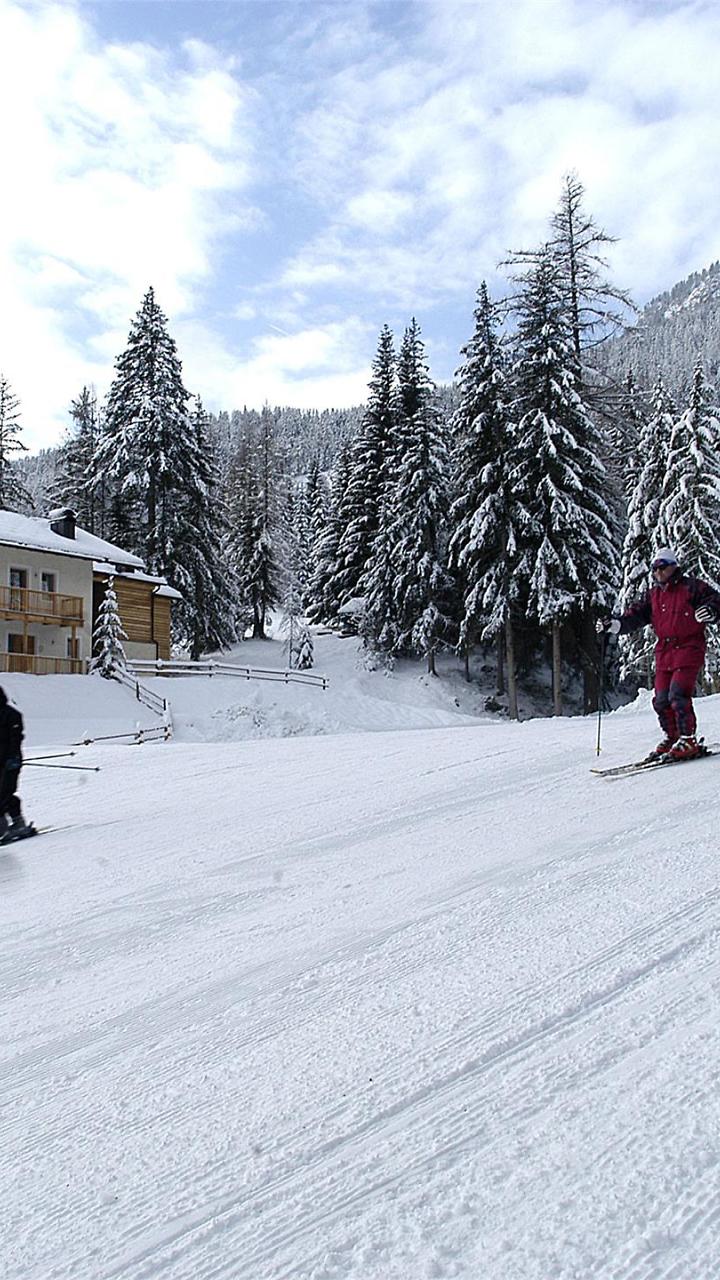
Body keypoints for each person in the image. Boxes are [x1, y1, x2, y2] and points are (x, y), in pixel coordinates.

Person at [596, 548, 720, 760]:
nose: (658, 572)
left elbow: (715, 600)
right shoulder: (654, 595)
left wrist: (711, 611)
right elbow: (635, 616)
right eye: (654, 569)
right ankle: (673, 737)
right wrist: (614, 625)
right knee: (661, 699)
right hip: (665, 652)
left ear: (673, 567)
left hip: (689, 647)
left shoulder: (691, 587)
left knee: (678, 694)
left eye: (662, 567)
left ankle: (688, 739)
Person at [0, 686, 32, 842]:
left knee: (3, 794)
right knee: (5, 795)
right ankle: (18, 822)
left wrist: (13, 757)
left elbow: (16, 738)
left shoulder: (11, 714)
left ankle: (4, 828)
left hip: (10, 762)